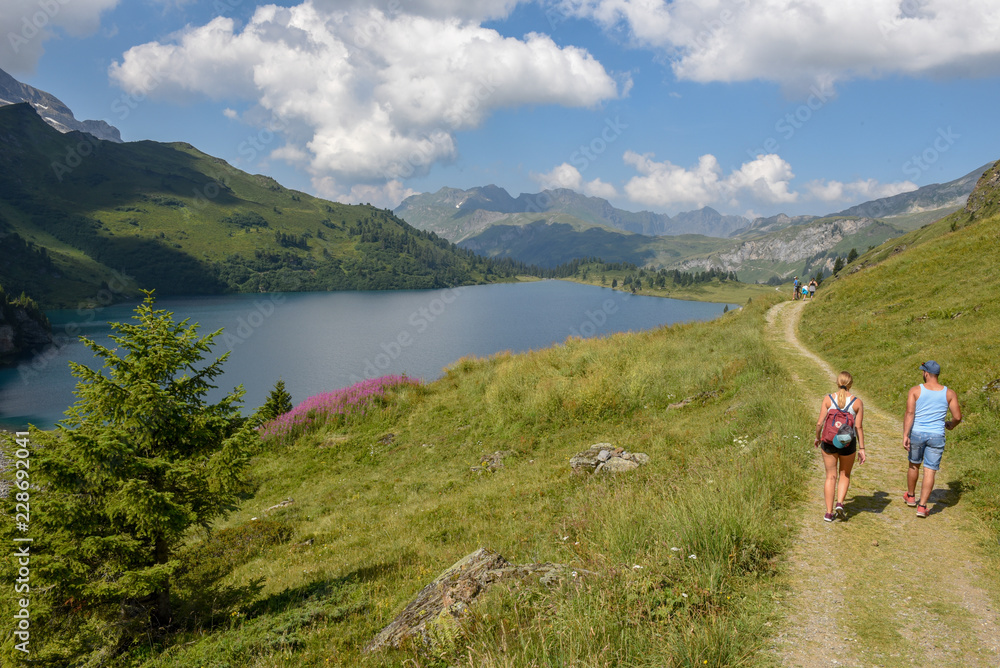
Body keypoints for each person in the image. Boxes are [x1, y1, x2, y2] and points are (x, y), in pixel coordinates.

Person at [903, 361, 962, 517]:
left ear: (926, 373)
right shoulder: (949, 393)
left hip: (917, 433)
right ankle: (922, 507)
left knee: (914, 465)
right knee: (930, 470)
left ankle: (910, 496)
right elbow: (957, 416)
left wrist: (905, 434)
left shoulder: (915, 390)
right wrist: (951, 425)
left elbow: (910, 413)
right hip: (937, 435)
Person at [814, 371, 866, 521]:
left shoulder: (828, 399)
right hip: (848, 444)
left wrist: (818, 438)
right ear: (851, 384)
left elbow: (819, 423)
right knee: (845, 474)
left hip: (829, 441)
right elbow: (859, 427)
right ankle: (840, 503)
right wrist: (862, 449)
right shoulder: (857, 402)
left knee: (831, 476)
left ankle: (829, 513)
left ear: (837, 382)